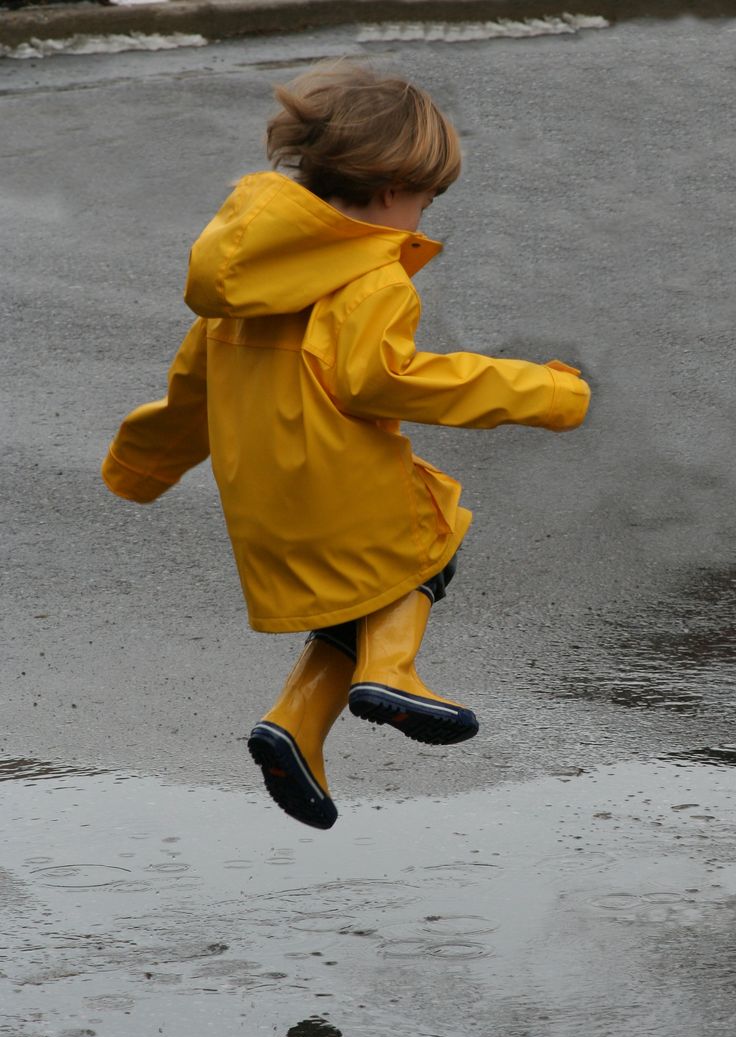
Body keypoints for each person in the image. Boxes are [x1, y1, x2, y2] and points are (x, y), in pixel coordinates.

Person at [102, 64, 591, 831]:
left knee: (357, 597)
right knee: (432, 537)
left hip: (261, 501)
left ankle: (297, 722)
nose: (423, 220)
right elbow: (382, 378)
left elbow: (190, 387)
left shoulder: (243, 285)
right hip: (338, 484)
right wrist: (547, 394)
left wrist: (144, 463)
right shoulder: (370, 276)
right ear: (394, 184)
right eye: (426, 201)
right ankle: (393, 671)